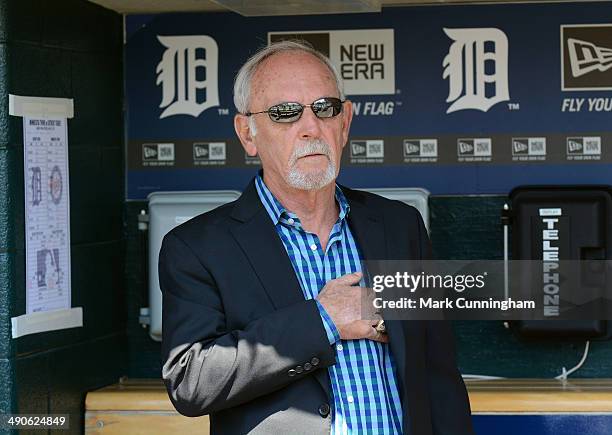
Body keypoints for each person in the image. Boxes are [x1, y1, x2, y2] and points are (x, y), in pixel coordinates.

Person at [159, 40, 473, 435]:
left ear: (345, 123)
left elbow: (438, 373)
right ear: (247, 134)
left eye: (325, 108)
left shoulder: (399, 226)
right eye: (285, 113)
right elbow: (190, 381)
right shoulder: (196, 247)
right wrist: (324, 319)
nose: (310, 128)